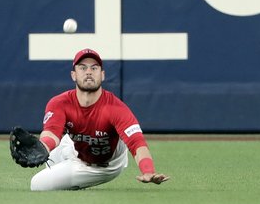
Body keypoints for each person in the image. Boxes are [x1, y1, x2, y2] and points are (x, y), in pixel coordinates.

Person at [29, 48, 170, 191]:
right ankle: (70, 169)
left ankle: (78, 179)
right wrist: (42, 148)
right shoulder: (59, 103)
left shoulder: (115, 108)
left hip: (104, 165)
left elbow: (136, 142)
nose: (88, 72)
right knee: (47, 155)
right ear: (73, 75)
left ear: (102, 75)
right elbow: (52, 133)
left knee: (37, 184)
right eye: (82, 68)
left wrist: (148, 170)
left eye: (94, 68)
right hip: (76, 145)